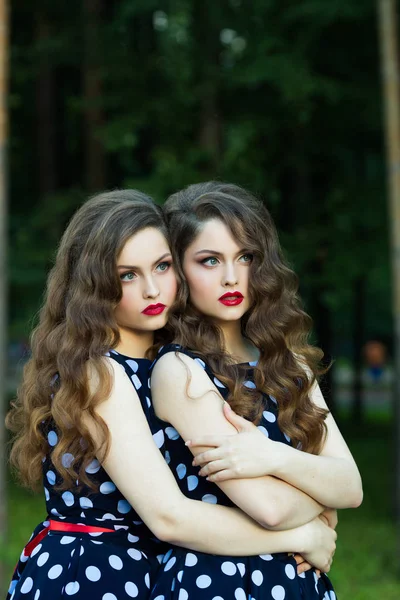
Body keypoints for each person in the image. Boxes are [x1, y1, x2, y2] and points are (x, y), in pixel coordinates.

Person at [6, 189, 337, 600]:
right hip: (96, 575)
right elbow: (169, 517)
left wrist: (313, 500)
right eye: (127, 275)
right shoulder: (98, 371)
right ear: (94, 285)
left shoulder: (171, 364)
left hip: (153, 568)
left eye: (162, 266)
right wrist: (303, 532)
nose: (151, 289)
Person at [149, 182, 363, 599]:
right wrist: (322, 496)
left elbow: (352, 487)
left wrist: (271, 455)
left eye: (245, 257)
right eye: (209, 260)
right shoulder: (180, 370)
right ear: (177, 269)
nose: (232, 277)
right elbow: (272, 509)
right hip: (221, 581)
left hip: (300, 580)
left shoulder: (289, 363)